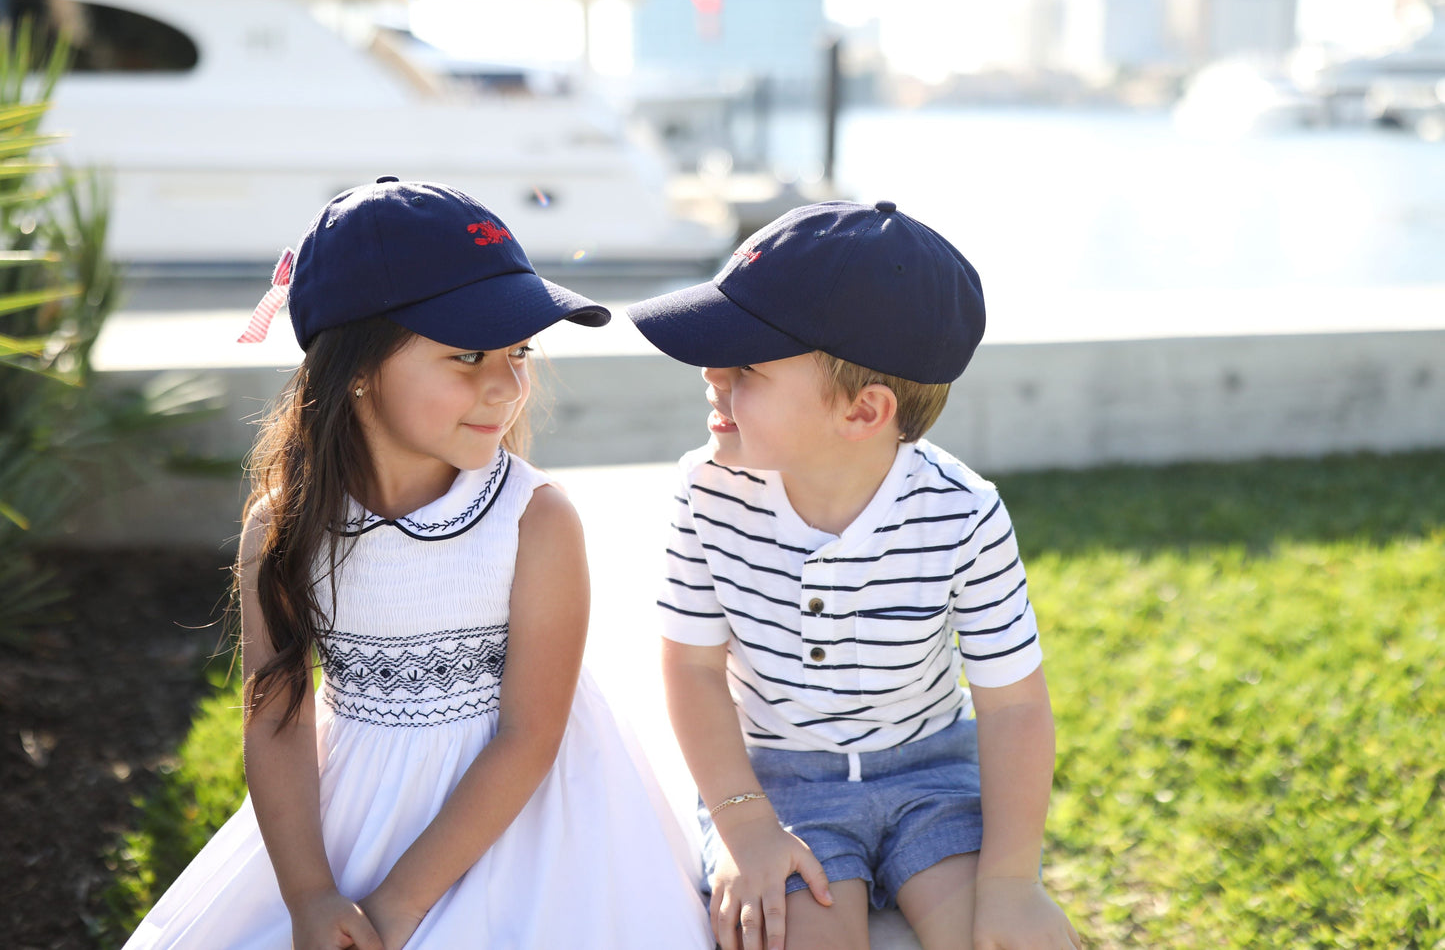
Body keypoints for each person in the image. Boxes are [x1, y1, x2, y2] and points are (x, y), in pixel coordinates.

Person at [125, 177, 712, 950]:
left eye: (519, 350)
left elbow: (529, 735)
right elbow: (276, 715)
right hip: (347, 824)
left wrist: (399, 905)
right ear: (357, 364)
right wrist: (307, 892)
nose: (505, 384)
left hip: (530, 826)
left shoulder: (534, 521)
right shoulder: (284, 527)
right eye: (467, 354)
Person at [625, 200, 1082, 950]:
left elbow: (1014, 709)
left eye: (744, 365)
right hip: (778, 785)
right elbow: (693, 668)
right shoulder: (706, 492)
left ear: (863, 412)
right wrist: (745, 826)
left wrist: (1009, 883)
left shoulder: (962, 512)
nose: (710, 373)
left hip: (932, 778)